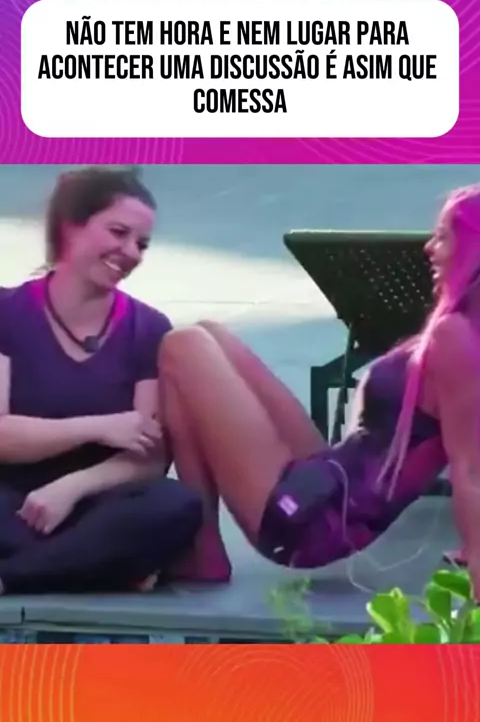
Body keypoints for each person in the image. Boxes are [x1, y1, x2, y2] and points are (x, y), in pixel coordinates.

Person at [158, 185, 480, 601]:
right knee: (209, 334)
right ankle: (202, 548)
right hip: (330, 479)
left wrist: (476, 558)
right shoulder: (462, 328)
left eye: (443, 237)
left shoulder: (456, 335)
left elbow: (470, 467)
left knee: (182, 346)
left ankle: (201, 551)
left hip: (310, 523)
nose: (429, 248)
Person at [0, 166, 205, 596]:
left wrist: (70, 488)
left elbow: (148, 457)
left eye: (142, 244)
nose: (130, 252)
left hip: (96, 504)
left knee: (175, 504)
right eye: (118, 233)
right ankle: (97, 567)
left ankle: (14, 576)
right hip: (10, 501)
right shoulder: (7, 311)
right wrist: (99, 426)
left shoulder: (148, 327)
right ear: (71, 226)